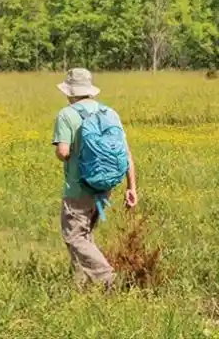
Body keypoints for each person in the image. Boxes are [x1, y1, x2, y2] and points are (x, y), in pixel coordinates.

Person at [51, 67, 138, 289]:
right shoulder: (110, 113)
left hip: (77, 189)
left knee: (74, 237)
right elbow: (126, 153)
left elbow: (62, 152)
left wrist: (73, 154)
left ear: (69, 91)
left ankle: (108, 279)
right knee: (85, 233)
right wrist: (131, 188)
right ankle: (82, 285)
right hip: (103, 186)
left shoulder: (66, 115)